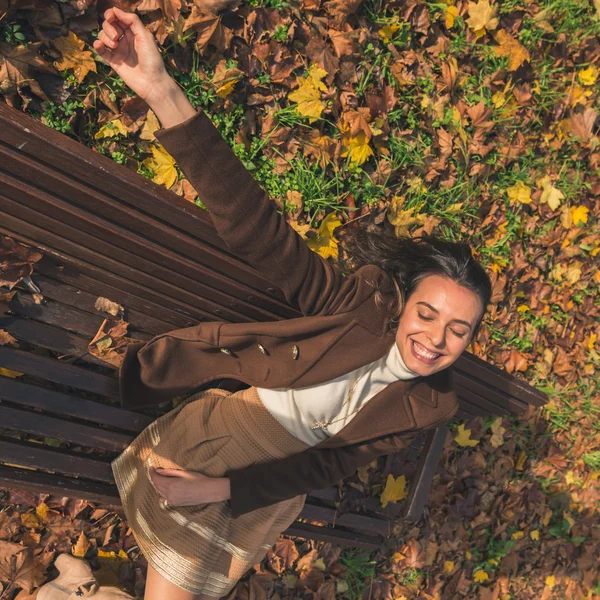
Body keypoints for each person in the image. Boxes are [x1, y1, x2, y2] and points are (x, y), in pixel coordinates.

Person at [93, 8, 492, 600]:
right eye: (428, 314)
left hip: (261, 492)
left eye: (458, 330)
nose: (435, 339)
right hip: (222, 441)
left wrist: (222, 494)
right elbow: (257, 229)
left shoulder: (432, 404)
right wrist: (160, 90)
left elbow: (325, 467)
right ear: (405, 303)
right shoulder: (353, 305)